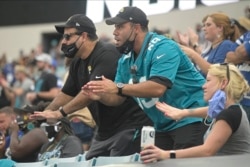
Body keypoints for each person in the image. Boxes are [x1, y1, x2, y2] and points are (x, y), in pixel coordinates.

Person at [30, 14, 153, 160]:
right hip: (104, 130)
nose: (63, 42)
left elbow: (89, 92)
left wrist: (60, 113)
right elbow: (66, 93)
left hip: (129, 125)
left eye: (68, 37)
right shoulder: (77, 62)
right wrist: (47, 111)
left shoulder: (106, 53)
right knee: (90, 163)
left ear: (83, 36)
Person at [83, 6, 207, 151]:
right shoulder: (125, 60)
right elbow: (118, 98)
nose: (115, 32)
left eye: (120, 26)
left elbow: (157, 88)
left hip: (190, 118)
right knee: (151, 161)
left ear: (136, 28)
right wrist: (101, 96)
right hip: (163, 125)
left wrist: (117, 88)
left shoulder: (163, 46)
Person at [140, 63, 250, 163]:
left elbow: (207, 151)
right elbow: (208, 111)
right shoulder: (231, 110)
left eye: (208, 80)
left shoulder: (229, 114)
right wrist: (183, 113)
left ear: (223, 83)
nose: (203, 86)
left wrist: (165, 154)